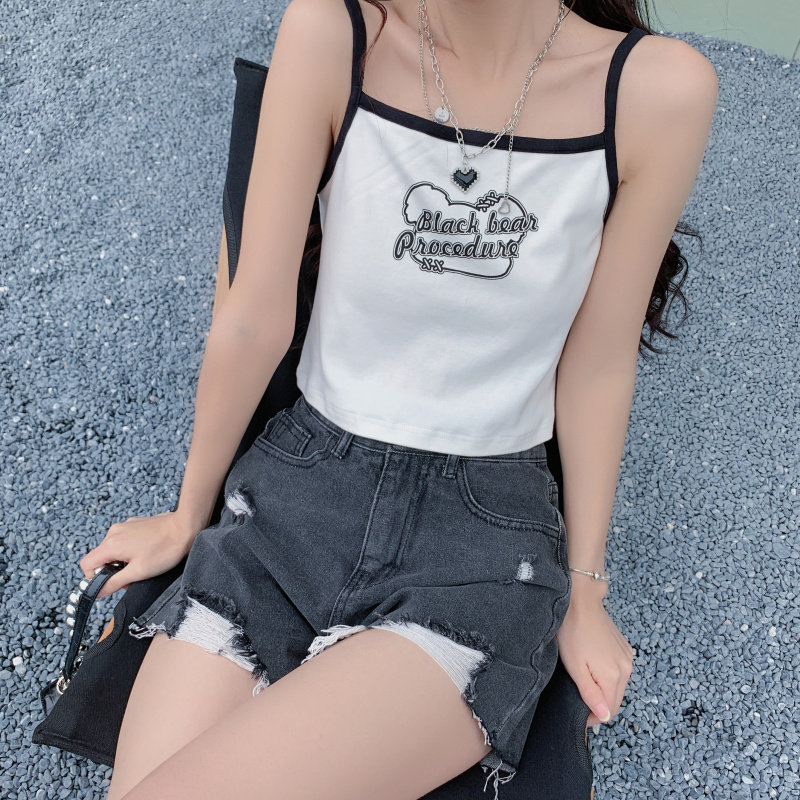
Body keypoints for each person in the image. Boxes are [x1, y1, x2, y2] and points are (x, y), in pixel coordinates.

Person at [79, 0, 717, 797]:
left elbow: (598, 363)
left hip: (480, 544)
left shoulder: (656, 91)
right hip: (292, 498)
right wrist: (187, 513)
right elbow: (252, 316)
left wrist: (586, 592)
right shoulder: (338, 34)